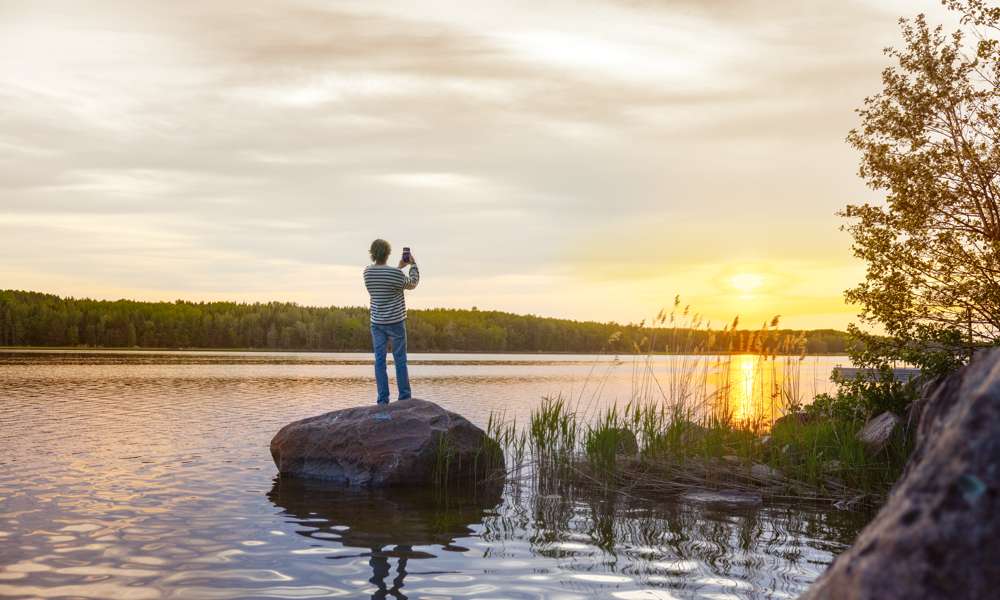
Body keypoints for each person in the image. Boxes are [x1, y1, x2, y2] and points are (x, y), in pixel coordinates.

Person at [363, 239, 420, 416]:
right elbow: (412, 283)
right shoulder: (395, 274)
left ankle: (382, 401)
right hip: (396, 322)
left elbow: (387, 279)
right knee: (400, 360)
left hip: (377, 323)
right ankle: (404, 398)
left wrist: (398, 268)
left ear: (372, 254)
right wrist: (413, 264)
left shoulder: (367, 273)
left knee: (380, 362)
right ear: (388, 253)